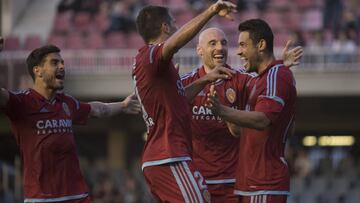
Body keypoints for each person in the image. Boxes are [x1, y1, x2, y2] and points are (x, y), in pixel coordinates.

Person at [0, 42, 142, 203]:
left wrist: (123, 105)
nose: (61, 66)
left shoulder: (67, 102)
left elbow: (97, 109)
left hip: (77, 196)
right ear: (37, 70)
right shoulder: (22, 102)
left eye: (62, 63)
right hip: (40, 199)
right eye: (54, 63)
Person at [181, 27, 302, 203]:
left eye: (223, 43)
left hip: (235, 181)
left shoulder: (243, 80)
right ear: (199, 50)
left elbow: (270, 87)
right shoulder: (188, 82)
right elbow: (167, 104)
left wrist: (281, 66)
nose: (219, 47)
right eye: (212, 43)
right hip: (199, 181)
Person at [133, 1, 237, 202]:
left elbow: (179, 98)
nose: (175, 28)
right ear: (165, 27)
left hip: (164, 158)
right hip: (168, 156)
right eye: (173, 23)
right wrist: (211, 11)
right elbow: (174, 43)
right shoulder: (152, 55)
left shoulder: (156, 66)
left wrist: (206, 79)